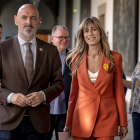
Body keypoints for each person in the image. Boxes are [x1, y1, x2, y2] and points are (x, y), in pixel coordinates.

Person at [0, 4, 64, 140]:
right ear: (16, 20)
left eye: (33, 18)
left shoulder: (50, 51)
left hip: (38, 124)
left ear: (39, 21)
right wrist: (11, 96)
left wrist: (43, 95)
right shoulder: (2, 48)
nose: (28, 22)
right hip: (8, 123)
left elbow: (59, 84)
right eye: (24, 17)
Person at [64, 17, 128, 140]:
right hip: (81, 120)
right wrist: (68, 122)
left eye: (94, 29)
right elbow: (73, 94)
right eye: (86, 31)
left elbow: (119, 93)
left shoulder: (115, 58)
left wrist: (123, 123)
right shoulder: (76, 59)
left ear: (100, 32)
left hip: (107, 118)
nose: (90, 34)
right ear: (82, 35)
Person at [44, 25, 72, 140]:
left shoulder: (74, 57)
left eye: (67, 37)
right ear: (52, 39)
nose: (64, 40)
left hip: (65, 112)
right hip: (45, 111)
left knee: (63, 139)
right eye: (61, 37)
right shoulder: (42, 56)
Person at [123, 62, 140, 140]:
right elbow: (133, 85)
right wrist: (118, 79)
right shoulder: (139, 64)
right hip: (136, 109)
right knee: (137, 137)